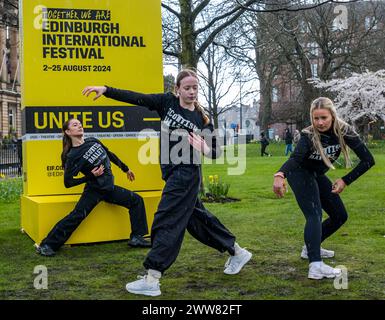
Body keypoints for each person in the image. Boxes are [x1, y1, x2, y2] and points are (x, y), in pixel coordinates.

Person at [82, 69, 252, 297]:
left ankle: (152, 277)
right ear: (178, 89)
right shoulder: (167, 103)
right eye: (187, 88)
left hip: (187, 174)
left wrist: (205, 149)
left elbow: (216, 152)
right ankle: (236, 251)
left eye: (195, 88)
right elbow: (137, 97)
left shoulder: (202, 119)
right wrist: (106, 90)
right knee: (198, 221)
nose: (192, 92)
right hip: (174, 174)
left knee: (166, 220)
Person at [273, 97, 375, 280]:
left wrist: (345, 180)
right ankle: (316, 265)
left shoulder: (344, 131)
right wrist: (280, 175)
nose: (320, 122)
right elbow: (295, 159)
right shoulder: (308, 135)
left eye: (324, 118)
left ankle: (310, 248)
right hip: (299, 173)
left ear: (332, 116)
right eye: (316, 118)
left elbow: (368, 160)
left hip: (316, 174)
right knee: (314, 214)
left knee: (339, 215)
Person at [36, 118, 151, 257]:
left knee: (136, 200)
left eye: (79, 124)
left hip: (108, 188)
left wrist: (125, 169)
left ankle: (136, 237)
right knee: (76, 216)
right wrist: (90, 176)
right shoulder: (73, 155)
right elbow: (68, 183)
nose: (79, 126)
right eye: (75, 125)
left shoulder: (92, 141)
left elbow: (109, 153)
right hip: (94, 190)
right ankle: (47, 244)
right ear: (68, 132)